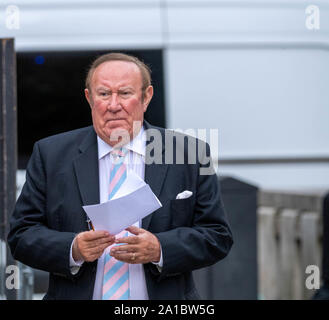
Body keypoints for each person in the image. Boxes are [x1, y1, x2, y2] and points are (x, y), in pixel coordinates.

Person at [7, 52, 233, 300]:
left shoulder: (189, 153)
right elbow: (21, 235)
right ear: (89, 98)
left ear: (146, 97)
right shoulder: (51, 155)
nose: (114, 105)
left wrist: (160, 249)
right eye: (104, 94)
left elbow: (217, 236)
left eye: (125, 93)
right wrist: (73, 249)